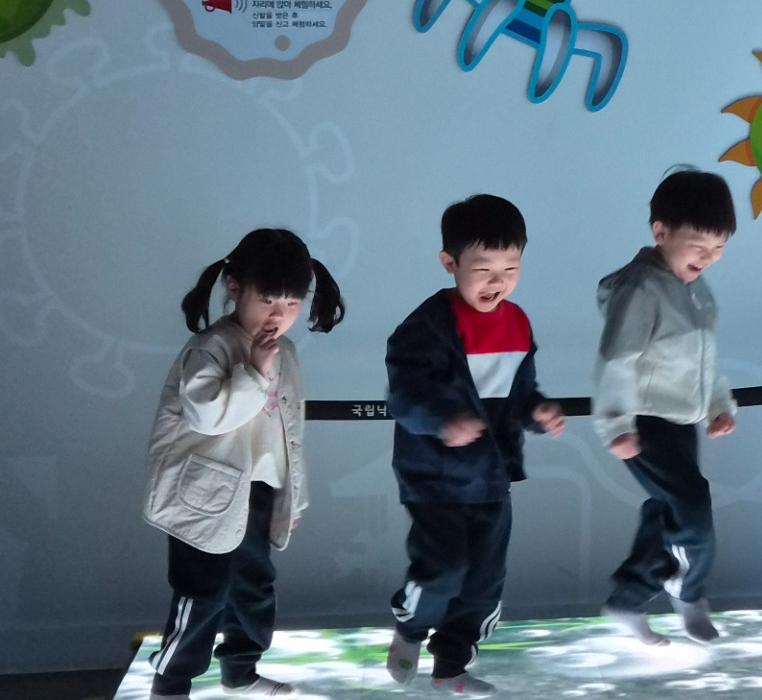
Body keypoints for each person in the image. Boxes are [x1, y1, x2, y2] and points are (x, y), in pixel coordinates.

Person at [144, 228, 345, 699]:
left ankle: (241, 671)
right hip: (203, 497)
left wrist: (294, 497)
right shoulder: (211, 346)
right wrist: (254, 370)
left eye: (292, 303)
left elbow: (289, 433)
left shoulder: (284, 351)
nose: (279, 315)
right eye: (268, 300)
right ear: (234, 287)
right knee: (203, 592)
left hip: (258, 490)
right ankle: (171, 683)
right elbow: (208, 417)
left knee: (254, 586)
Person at [385, 194, 564, 696]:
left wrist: (538, 412)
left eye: (511, 269)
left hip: (491, 478)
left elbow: (521, 394)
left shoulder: (518, 323)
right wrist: (443, 423)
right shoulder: (425, 327)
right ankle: (410, 627)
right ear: (450, 263)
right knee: (442, 572)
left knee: (484, 583)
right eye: (484, 269)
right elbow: (403, 397)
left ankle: (451, 668)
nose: (497, 281)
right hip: (434, 479)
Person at [595, 168, 738, 646]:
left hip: (681, 423)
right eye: (698, 245)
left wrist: (718, 406)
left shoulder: (696, 289)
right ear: (661, 232)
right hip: (644, 422)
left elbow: (705, 357)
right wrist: (616, 424)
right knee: (692, 506)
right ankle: (687, 590)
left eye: (719, 247)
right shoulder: (639, 288)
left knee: (668, 512)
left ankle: (627, 600)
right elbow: (617, 358)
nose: (708, 257)